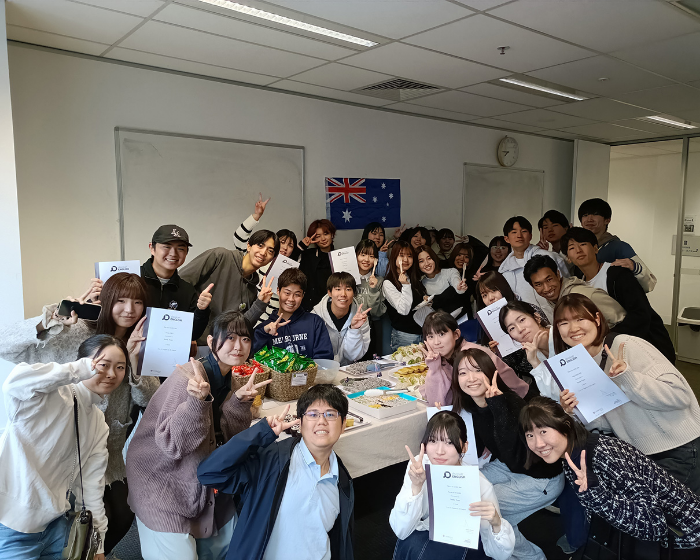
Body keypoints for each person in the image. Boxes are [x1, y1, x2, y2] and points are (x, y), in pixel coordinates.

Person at [0, 273, 159, 554]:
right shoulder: (75, 330)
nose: (129, 309)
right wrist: (49, 322)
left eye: (137, 302)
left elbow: (149, 399)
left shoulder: (142, 344)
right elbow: (7, 350)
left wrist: (133, 361)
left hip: (103, 447)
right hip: (50, 440)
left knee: (118, 516)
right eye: (121, 300)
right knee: (69, 517)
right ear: (106, 301)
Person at [126, 311, 270, 560]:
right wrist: (196, 402)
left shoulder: (228, 377)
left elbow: (229, 440)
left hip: (198, 477)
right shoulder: (189, 377)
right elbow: (173, 445)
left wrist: (238, 403)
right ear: (212, 341)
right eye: (230, 338)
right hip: (161, 478)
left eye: (245, 339)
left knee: (231, 541)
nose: (238, 346)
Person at [549, 294, 700, 496]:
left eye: (580, 319)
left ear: (597, 319)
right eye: (564, 323)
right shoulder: (580, 364)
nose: (573, 328)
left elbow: (680, 396)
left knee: (671, 512)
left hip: (677, 447)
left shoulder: (626, 345)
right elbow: (606, 423)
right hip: (642, 455)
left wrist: (629, 378)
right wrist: (572, 411)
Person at [0, 334, 132, 560]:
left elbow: (90, 486)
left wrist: (97, 543)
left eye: (120, 367)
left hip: (56, 527)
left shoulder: (98, 422)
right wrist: (78, 369)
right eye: (103, 364)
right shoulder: (50, 395)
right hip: (13, 527)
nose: (111, 374)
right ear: (84, 363)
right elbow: (15, 382)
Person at [521, 397, 700, 553]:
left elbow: (654, 525)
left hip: (683, 540)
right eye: (530, 435)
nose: (538, 443)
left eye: (543, 431)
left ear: (565, 426)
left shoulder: (604, 455)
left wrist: (598, 497)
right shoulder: (571, 454)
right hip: (643, 541)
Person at [197, 385, 354, 560]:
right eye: (313, 414)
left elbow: (339, 541)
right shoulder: (272, 460)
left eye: (330, 414)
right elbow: (209, 473)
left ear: (343, 424)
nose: (322, 421)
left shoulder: (342, 480)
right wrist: (261, 432)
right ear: (300, 422)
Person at [451, 348, 564, 560]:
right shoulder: (472, 404)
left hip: (541, 477)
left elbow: (513, 452)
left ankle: (532, 557)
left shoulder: (509, 401)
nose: (471, 378)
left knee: (484, 510)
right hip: (508, 467)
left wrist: (498, 407)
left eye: (477, 370)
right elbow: (481, 448)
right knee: (464, 488)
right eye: (463, 373)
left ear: (490, 372)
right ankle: (506, 549)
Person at [390, 411, 515, 560]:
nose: (439, 451)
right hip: (424, 533)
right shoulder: (419, 466)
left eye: (449, 442)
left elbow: (499, 554)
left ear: (464, 447)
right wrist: (416, 488)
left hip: (460, 541)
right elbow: (401, 530)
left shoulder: (478, 483)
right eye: (433, 441)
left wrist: (496, 523)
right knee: (412, 543)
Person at [562, 227, 675, 363]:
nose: (579, 250)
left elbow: (641, 314)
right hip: (612, 349)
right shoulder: (578, 283)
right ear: (568, 258)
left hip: (645, 345)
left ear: (596, 248)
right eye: (572, 248)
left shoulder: (616, 274)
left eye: (583, 244)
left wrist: (606, 338)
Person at [180, 230, 279, 343]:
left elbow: (240, 328)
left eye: (270, 251)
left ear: (272, 259)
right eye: (260, 245)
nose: (263, 252)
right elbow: (180, 284)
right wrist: (190, 333)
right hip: (188, 338)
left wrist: (260, 303)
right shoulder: (220, 256)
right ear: (249, 246)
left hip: (218, 347)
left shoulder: (251, 290)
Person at [419, 311, 530, 406]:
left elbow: (444, 401)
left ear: (456, 334)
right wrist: (434, 368)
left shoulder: (469, 355)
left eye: (442, 334)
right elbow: (437, 404)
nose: (436, 342)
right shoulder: (443, 358)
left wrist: (434, 371)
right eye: (430, 336)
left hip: (518, 401)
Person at [140, 224, 212, 341]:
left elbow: (192, 334)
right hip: (128, 349)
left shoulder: (187, 291)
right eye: (166, 247)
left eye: (180, 248)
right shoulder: (133, 278)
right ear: (152, 248)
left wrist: (201, 310)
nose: (173, 253)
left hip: (168, 351)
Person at [475, 272, 543, 390]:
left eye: (494, 290)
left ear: (503, 288)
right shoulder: (486, 328)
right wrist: (495, 353)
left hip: (545, 364)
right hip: (524, 381)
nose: (490, 298)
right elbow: (508, 367)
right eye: (484, 295)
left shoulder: (528, 309)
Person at [523, 254, 626, 329]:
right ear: (532, 286)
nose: (546, 288)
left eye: (549, 279)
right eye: (538, 284)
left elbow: (622, 320)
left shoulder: (584, 294)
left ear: (558, 275)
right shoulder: (553, 302)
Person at [498, 216, 569, 322]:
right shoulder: (504, 271)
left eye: (524, 231)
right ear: (506, 239)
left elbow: (567, 285)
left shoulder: (548, 257)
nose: (519, 235)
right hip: (531, 324)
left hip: (562, 317)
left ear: (530, 236)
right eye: (514, 232)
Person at [578, 198, 657, 292]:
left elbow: (649, 284)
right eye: (585, 215)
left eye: (595, 214)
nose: (589, 219)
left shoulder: (619, 247)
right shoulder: (577, 249)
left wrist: (634, 267)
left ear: (607, 220)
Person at [253, 268, 334, 359]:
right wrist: (263, 333)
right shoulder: (265, 328)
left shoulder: (314, 322)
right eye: (287, 293)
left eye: (297, 294)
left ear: (303, 295)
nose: (291, 299)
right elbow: (253, 358)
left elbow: (325, 358)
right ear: (278, 291)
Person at [499, 300, 558, 401]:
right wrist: (535, 363)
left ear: (537, 317)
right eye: (512, 328)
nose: (520, 329)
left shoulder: (563, 336)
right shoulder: (532, 354)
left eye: (522, 320)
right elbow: (551, 396)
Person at [312, 272, 371, 366]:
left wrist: (354, 329)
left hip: (349, 370)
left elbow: (353, 356)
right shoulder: (315, 317)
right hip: (321, 370)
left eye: (348, 289)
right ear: (329, 292)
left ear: (354, 293)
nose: (343, 294)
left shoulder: (361, 318)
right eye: (338, 289)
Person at [382, 240, 427, 351]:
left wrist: (426, 300)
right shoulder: (388, 283)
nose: (406, 260)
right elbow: (404, 310)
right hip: (405, 335)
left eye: (409, 256)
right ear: (394, 257)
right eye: (401, 255)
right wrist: (405, 285)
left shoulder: (414, 277)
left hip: (423, 332)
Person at [417, 245, 470, 318]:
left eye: (429, 258)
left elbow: (457, 284)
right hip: (441, 324)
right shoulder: (420, 285)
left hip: (462, 319)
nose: (426, 263)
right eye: (421, 261)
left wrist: (460, 287)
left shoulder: (451, 272)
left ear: (434, 258)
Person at [355, 239, 386, 358]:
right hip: (351, 327)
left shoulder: (380, 281)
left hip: (372, 328)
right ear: (356, 256)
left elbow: (376, 313)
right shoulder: (348, 279)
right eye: (363, 255)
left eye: (371, 256)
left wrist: (373, 289)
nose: (367, 260)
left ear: (376, 260)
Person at [299, 219, 336, 311]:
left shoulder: (339, 257)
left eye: (326, 234)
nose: (323, 239)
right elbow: (288, 262)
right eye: (318, 236)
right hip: (307, 307)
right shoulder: (307, 255)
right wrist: (302, 246)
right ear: (314, 239)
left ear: (332, 234)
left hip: (331, 307)